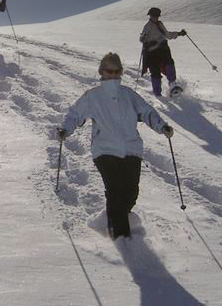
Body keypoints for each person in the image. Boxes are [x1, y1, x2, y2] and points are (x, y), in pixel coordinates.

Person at [58, 52, 174, 239]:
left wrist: (162, 126)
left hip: (131, 149)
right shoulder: (92, 96)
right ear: (101, 72)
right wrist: (65, 129)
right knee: (116, 191)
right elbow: (74, 115)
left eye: (116, 71)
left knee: (131, 193)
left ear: (120, 72)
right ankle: (121, 239)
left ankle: (112, 216)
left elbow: (147, 112)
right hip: (104, 150)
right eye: (108, 70)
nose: (112, 74)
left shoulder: (128, 94)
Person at [139, 7, 187, 97]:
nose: (155, 17)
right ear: (150, 16)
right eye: (154, 16)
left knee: (169, 63)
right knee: (155, 72)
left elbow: (168, 35)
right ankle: (158, 94)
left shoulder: (160, 24)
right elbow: (142, 37)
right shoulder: (147, 26)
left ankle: (173, 85)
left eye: (157, 16)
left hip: (162, 49)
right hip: (152, 53)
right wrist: (143, 39)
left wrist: (179, 33)